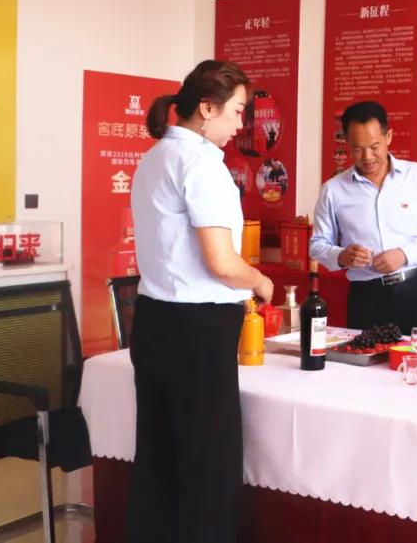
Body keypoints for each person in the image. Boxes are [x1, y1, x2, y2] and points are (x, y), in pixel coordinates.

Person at [129, 59, 274, 543]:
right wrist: (259, 281)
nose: (240, 124)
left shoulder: (155, 157)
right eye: (237, 111)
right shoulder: (201, 164)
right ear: (207, 108)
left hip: (153, 322)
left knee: (158, 462)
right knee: (208, 470)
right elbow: (222, 263)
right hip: (198, 332)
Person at [309, 101, 417, 333]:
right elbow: (317, 245)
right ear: (346, 144)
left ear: (389, 137)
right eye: (357, 148)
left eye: (374, 146)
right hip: (367, 297)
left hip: (416, 290)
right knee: (366, 357)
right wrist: (342, 256)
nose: (367, 157)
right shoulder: (333, 190)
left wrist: (404, 254)